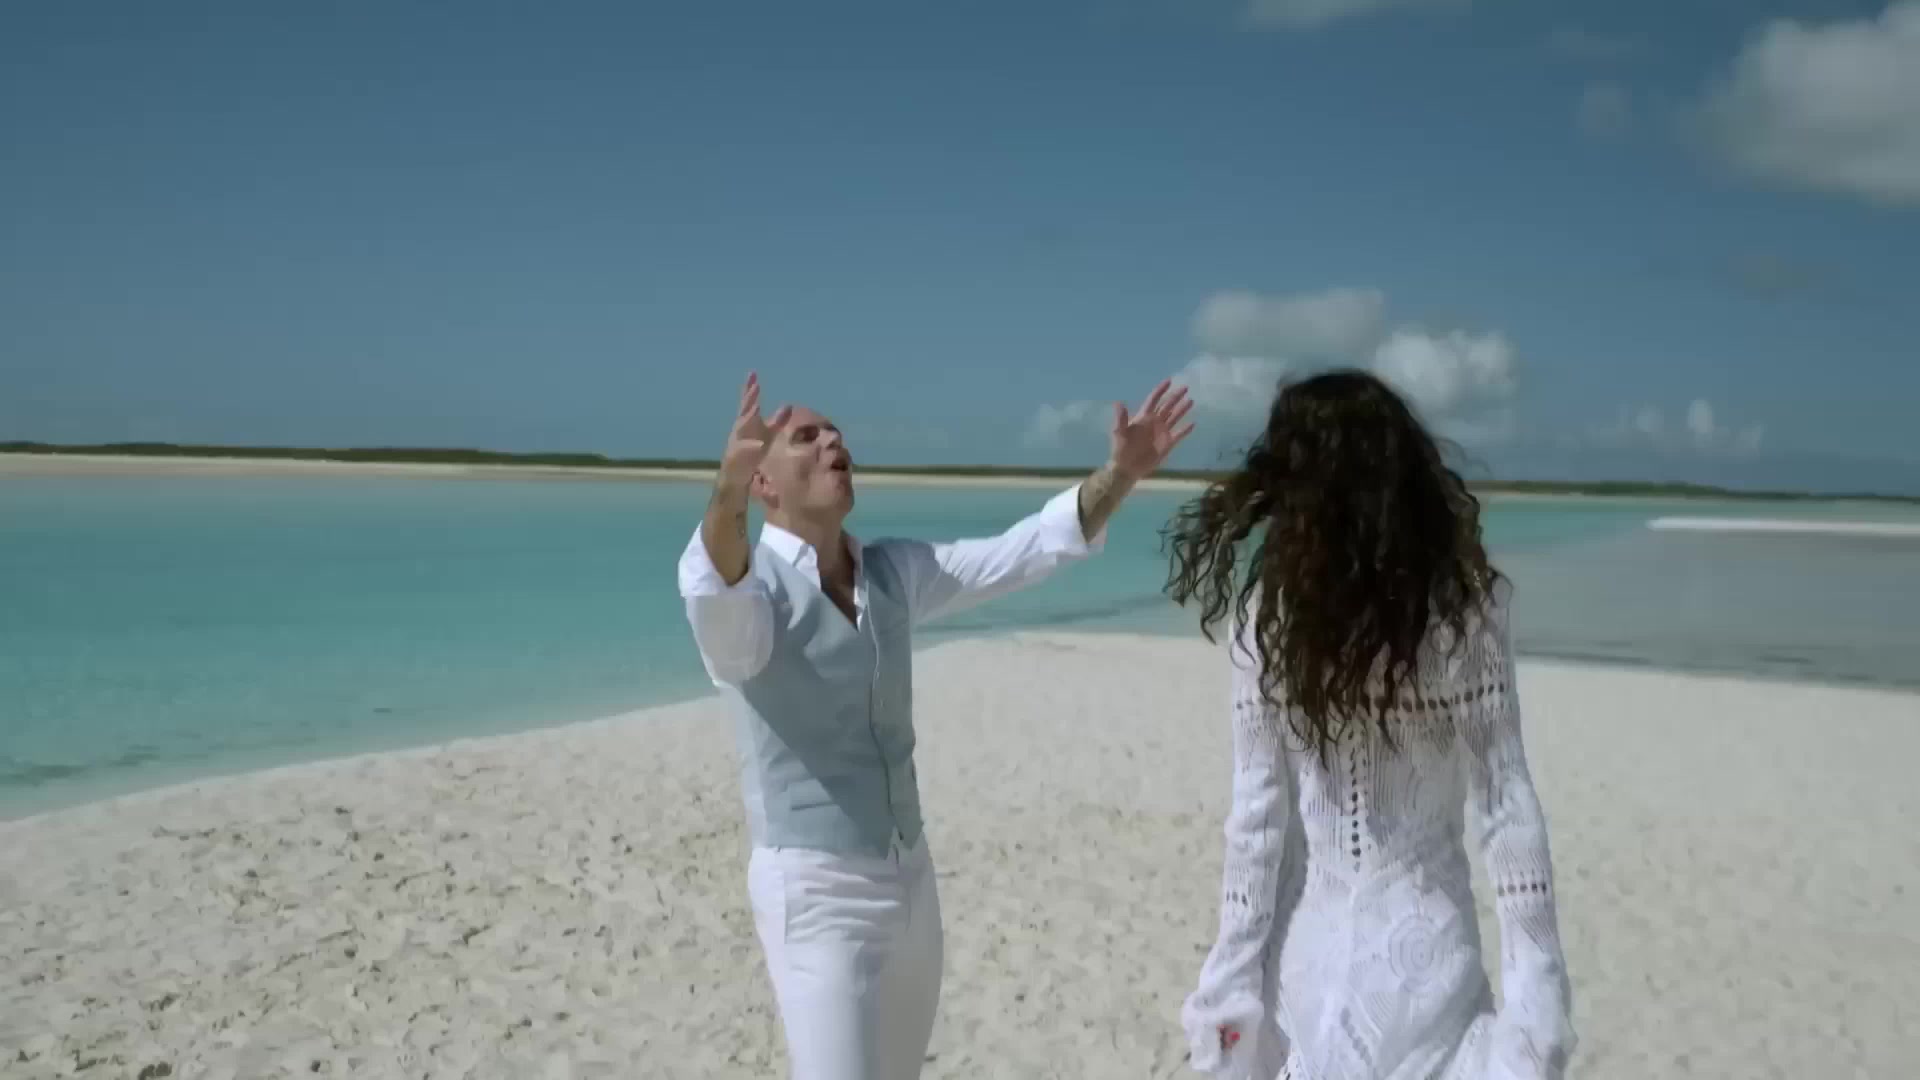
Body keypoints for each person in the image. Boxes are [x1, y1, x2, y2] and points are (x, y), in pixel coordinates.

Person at [677, 371, 1193, 1080]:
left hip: (912, 884)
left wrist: (1122, 473)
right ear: (762, 483)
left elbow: (1025, 549)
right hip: (817, 894)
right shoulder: (752, 594)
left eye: (837, 434)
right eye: (806, 437)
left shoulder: (893, 572)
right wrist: (725, 490)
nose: (833, 443)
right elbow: (718, 592)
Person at [1165, 370, 1575, 1079]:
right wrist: (1538, 1003)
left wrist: (1229, 986)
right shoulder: (1467, 615)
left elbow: (1257, 824)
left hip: (1308, 966)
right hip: (1431, 967)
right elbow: (1506, 808)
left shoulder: (1266, 623)